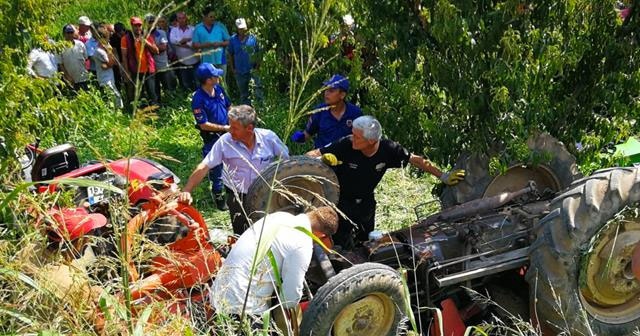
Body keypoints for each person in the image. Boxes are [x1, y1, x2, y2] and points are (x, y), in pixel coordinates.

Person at [306, 116, 465, 249]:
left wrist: (443, 176)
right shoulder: (346, 144)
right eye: (352, 134)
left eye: (357, 137)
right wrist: (320, 161)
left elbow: (416, 160)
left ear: (371, 140)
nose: (352, 138)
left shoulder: (389, 149)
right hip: (341, 202)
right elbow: (313, 154)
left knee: (368, 240)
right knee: (340, 243)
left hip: (366, 202)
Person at [210, 206, 338, 326]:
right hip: (242, 308)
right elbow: (289, 300)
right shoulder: (302, 243)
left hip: (218, 294)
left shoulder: (279, 216)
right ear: (322, 235)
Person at [178, 105, 289, 235]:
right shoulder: (225, 142)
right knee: (241, 235)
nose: (230, 130)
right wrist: (187, 190)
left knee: (266, 233)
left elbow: (287, 162)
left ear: (249, 128)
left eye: (234, 128)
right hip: (238, 198)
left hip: (266, 195)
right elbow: (205, 166)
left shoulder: (269, 138)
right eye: (229, 126)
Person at [191, 63, 232, 210]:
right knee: (216, 170)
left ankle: (231, 193)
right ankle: (219, 200)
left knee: (231, 165)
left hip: (228, 135)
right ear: (208, 80)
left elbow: (228, 106)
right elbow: (203, 124)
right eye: (216, 75)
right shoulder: (198, 99)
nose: (218, 77)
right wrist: (224, 128)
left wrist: (233, 120)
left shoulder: (219, 89)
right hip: (212, 139)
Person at [291, 74, 362, 148]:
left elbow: (361, 139)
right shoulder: (319, 111)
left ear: (342, 95)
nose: (326, 93)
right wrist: (299, 137)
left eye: (331, 90)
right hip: (321, 156)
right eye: (326, 89)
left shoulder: (355, 113)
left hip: (346, 157)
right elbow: (308, 134)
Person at [121, 16, 159, 106]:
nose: (138, 28)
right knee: (139, 95)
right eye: (135, 26)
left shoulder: (146, 35)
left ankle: (156, 110)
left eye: (139, 25)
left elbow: (156, 51)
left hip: (149, 70)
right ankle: (142, 113)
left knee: (152, 92)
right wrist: (126, 72)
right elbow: (124, 57)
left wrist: (146, 43)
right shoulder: (125, 39)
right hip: (135, 71)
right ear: (131, 26)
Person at [228, 18, 263, 106]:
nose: (242, 31)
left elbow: (259, 53)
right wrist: (233, 69)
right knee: (244, 94)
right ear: (237, 29)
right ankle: (246, 112)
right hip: (240, 71)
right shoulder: (232, 40)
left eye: (244, 28)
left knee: (258, 91)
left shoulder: (253, 38)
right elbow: (230, 54)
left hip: (252, 69)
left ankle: (260, 109)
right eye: (240, 29)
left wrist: (257, 67)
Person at [145, 14, 176, 101]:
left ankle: (171, 105)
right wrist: (154, 48)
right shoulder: (144, 35)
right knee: (155, 90)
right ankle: (159, 106)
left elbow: (163, 47)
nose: (151, 24)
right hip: (150, 68)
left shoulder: (161, 33)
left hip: (162, 65)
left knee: (168, 87)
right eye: (149, 22)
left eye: (153, 22)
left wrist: (150, 47)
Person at [92, 23, 123, 109]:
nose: (109, 41)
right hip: (105, 79)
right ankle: (116, 113)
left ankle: (116, 112)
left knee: (114, 97)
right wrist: (110, 51)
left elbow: (109, 64)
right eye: (107, 39)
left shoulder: (102, 50)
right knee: (115, 98)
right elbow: (111, 63)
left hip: (109, 77)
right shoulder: (100, 51)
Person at [192, 7, 230, 77]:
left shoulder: (220, 26)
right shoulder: (198, 28)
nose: (213, 18)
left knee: (222, 82)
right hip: (207, 61)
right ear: (204, 17)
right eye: (211, 17)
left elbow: (229, 41)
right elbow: (194, 45)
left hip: (221, 59)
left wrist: (220, 43)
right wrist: (204, 45)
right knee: (209, 83)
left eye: (214, 16)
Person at [169, 12, 198, 91]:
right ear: (177, 20)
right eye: (179, 18)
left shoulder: (193, 29)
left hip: (195, 62)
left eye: (183, 18)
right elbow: (172, 41)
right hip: (182, 62)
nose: (181, 20)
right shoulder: (174, 30)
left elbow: (195, 43)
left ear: (186, 18)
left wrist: (181, 44)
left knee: (197, 82)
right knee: (186, 84)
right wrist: (184, 40)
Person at [59, 24, 90, 91]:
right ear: (64, 34)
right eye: (68, 32)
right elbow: (60, 64)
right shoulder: (60, 47)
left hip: (83, 77)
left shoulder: (80, 44)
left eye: (71, 32)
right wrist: (67, 77)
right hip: (70, 79)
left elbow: (86, 59)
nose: (70, 34)